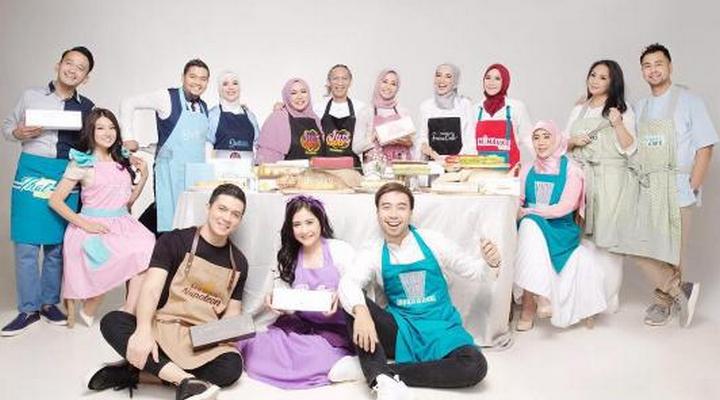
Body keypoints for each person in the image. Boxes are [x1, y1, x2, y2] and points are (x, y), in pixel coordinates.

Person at [338, 182, 501, 400]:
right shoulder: (373, 251)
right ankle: (379, 379)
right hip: (401, 330)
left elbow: (475, 272)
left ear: (410, 212)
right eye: (386, 207)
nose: (393, 214)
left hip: (441, 328)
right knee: (353, 303)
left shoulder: (433, 241)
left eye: (401, 207)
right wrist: (361, 311)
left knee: (474, 366)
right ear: (377, 213)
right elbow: (348, 283)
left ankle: (377, 371)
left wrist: (491, 263)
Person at [88, 184, 250, 400]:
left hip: (200, 337)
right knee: (113, 322)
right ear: (208, 207)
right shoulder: (174, 240)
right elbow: (151, 289)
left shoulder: (239, 262)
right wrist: (143, 330)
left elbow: (233, 312)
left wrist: (228, 333)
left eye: (235, 214)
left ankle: (136, 374)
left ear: (240, 220)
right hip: (163, 326)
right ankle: (187, 381)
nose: (227, 218)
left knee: (231, 367)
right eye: (222, 209)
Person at [612, 43, 718, 327]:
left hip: (678, 186)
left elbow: (705, 146)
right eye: (647, 66)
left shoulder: (690, 100)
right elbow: (627, 143)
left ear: (670, 66)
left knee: (674, 252)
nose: (653, 70)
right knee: (639, 247)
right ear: (642, 72)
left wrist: (693, 185)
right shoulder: (640, 108)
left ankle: (663, 303)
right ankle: (681, 291)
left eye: (658, 64)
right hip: (647, 188)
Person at [1, 46, 96, 336]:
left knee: (57, 245)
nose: (72, 70)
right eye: (69, 63)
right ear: (58, 64)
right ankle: (28, 309)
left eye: (80, 68)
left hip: (65, 174)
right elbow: (7, 126)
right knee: (26, 244)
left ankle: (49, 304)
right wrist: (17, 133)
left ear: (86, 77)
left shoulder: (87, 107)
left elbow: (93, 143)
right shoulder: (31, 96)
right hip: (31, 169)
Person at [238, 195, 361, 389]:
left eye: (309, 222)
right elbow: (288, 302)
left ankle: (348, 363)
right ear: (290, 228)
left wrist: (341, 299)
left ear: (321, 221)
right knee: (257, 347)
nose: (304, 230)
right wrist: (277, 302)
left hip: (336, 330)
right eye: (297, 224)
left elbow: (358, 289)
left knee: (314, 354)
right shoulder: (289, 257)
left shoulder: (340, 250)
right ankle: (323, 364)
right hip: (302, 327)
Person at [48, 108, 154, 327]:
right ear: (91, 131)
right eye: (101, 128)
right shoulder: (83, 163)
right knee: (113, 256)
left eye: (112, 127)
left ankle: (129, 310)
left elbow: (126, 203)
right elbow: (55, 200)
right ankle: (92, 304)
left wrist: (144, 177)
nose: (108, 133)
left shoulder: (121, 160)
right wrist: (86, 224)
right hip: (91, 225)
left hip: (122, 222)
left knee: (147, 246)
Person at [514, 120, 607, 330]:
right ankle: (540, 298)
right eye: (536, 138)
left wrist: (530, 212)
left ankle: (532, 304)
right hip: (533, 227)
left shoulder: (572, 170)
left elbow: (565, 207)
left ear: (557, 139)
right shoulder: (527, 169)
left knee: (529, 222)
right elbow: (518, 201)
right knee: (529, 225)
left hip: (560, 229)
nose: (541, 142)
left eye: (546, 137)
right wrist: (520, 210)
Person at [565, 60, 636, 313]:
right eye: (593, 75)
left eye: (603, 77)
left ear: (613, 82)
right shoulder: (579, 109)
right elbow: (562, 144)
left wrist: (618, 123)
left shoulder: (622, 110)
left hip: (611, 180)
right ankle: (589, 297)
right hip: (582, 178)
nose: (595, 80)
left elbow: (630, 148)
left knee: (609, 241)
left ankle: (609, 298)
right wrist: (573, 141)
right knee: (583, 239)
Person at [120, 59, 211, 234]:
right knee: (168, 219)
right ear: (183, 77)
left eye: (203, 79)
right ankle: (136, 239)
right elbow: (128, 102)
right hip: (170, 172)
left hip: (195, 175)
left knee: (191, 223)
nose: (197, 82)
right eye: (192, 76)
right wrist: (128, 137)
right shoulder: (166, 97)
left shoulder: (203, 107)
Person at [473, 63, 533, 170]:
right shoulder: (476, 109)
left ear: (505, 82)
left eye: (497, 79)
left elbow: (528, 139)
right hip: (480, 173)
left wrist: (545, 164)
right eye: (488, 78)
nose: (491, 82)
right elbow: (469, 144)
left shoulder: (516, 107)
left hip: (510, 173)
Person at [353, 69, 415, 165]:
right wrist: (374, 137)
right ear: (378, 83)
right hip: (375, 169)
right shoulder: (366, 112)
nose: (388, 87)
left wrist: (408, 142)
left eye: (393, 84)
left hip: (401, 169)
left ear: (397, 88)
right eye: (385, 81)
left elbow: (413, 146)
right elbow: (355, 148)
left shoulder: (404, 112)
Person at [256, 78, 323, 163]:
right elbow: (266, 159)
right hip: (287, 171)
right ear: (287, 96)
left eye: (303, 91)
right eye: (293, 93)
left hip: (315, 171)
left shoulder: (316, 119)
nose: (299, 97)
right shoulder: (277, 118)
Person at [419, 63, 476, 160]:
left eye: (448, 76)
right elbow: (423, 136)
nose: (441, 80)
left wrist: (454, 161)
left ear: (455, 82)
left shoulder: (465, 105)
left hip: (459, 164)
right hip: (433, 165)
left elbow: (470, 141)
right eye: (438, 75)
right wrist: (424, 146)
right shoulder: (426, 106)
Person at [313, 64, 366, 167]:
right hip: (325, 167)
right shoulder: (318, 107)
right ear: (329, 82)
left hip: (352, 168)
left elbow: (366, 142)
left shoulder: (361, 108)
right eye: (335, 78)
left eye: (344, 78)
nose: (340, 82)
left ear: (350, 82)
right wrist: (282, 108)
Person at [207, 71, 260, 161]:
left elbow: (257, 146)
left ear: (240, 88)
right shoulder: (213, 115)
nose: (231, 87)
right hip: (220, 169)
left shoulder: (250, 116)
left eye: (235, 83)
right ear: (219, 89)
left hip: (247, 169)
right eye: (225, 84)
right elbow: (207, 147)